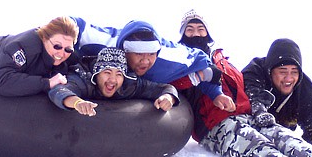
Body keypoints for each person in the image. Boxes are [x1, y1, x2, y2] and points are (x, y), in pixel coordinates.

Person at [177, 9, 312, 157]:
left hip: (244, 113)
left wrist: (256, 109)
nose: (196, 33)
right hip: (215, 124)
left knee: (280, 134)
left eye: (201, 29)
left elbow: (242, 86)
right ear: (182, 34)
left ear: (208, 33)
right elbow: (176, 86)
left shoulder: (219, 58)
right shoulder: (179, 61)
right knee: (255, 147)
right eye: (190, 30)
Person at [70, 17, 232, 111]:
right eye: (139, 54)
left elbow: (208, 68)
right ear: (125, 51)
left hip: (148, 83)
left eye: (151, 54)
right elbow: (73, 24)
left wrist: (216, 94)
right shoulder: (104, 42)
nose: (146, 61)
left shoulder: (168, 58)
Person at [48, 47, 179, 116]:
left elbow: (164, 88)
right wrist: (77, 103)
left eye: (119, 74)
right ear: (97, 73)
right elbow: (58, 90)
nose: (112, 79)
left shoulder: (129, 84)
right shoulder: (83, 79)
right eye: (107, 72)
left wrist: (168, 97)